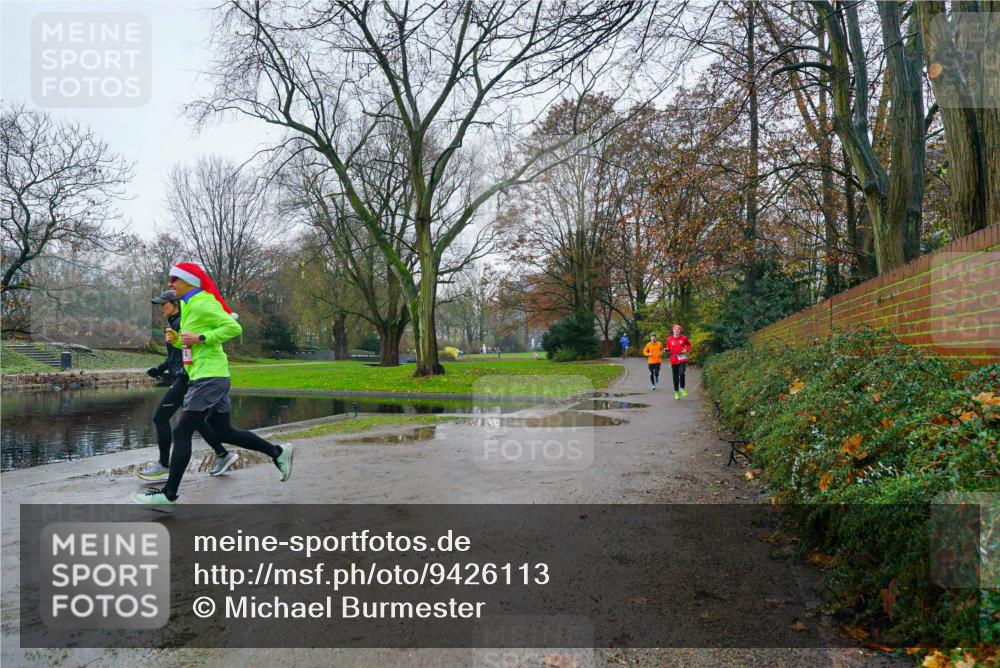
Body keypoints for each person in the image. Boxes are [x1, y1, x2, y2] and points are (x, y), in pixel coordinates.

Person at [131, 262, 294, 511]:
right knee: (224, 432)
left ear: (188, 281)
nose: (169, 283)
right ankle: (277, 452)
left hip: (209, 377)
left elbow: (233, 327)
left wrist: (201, 337)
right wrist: (177, 341)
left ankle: (169, 495)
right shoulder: (187, 304)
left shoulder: (203, 301)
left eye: (174, 279)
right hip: (206, 375)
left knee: (182, 431)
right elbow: (191, 344)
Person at [136, 290, 239, 483]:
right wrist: (159, 369)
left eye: (164, 304)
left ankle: (164, 466)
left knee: (160, 418)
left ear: (176, 304)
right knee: (197, 421)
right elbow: (176, 355)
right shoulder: (174, 323)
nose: (161, 309)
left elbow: (190, 351)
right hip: (184, 377)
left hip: (186, 378)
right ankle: (223, 454)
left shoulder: (183, 322)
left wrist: (183, 373)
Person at [665, 324, 692, 400]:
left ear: (680, 331)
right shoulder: (669, 339)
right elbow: (668, 348)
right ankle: (676, 392)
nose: (676, 331)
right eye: (675, 329)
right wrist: (666, 349)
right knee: (675, 376)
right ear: (673, 330)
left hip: (682, 357)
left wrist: (686, 349)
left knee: (682, 373)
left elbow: (689, 345)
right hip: (674, 358)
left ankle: (682, 388)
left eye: (678, 330)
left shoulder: (684, 338)